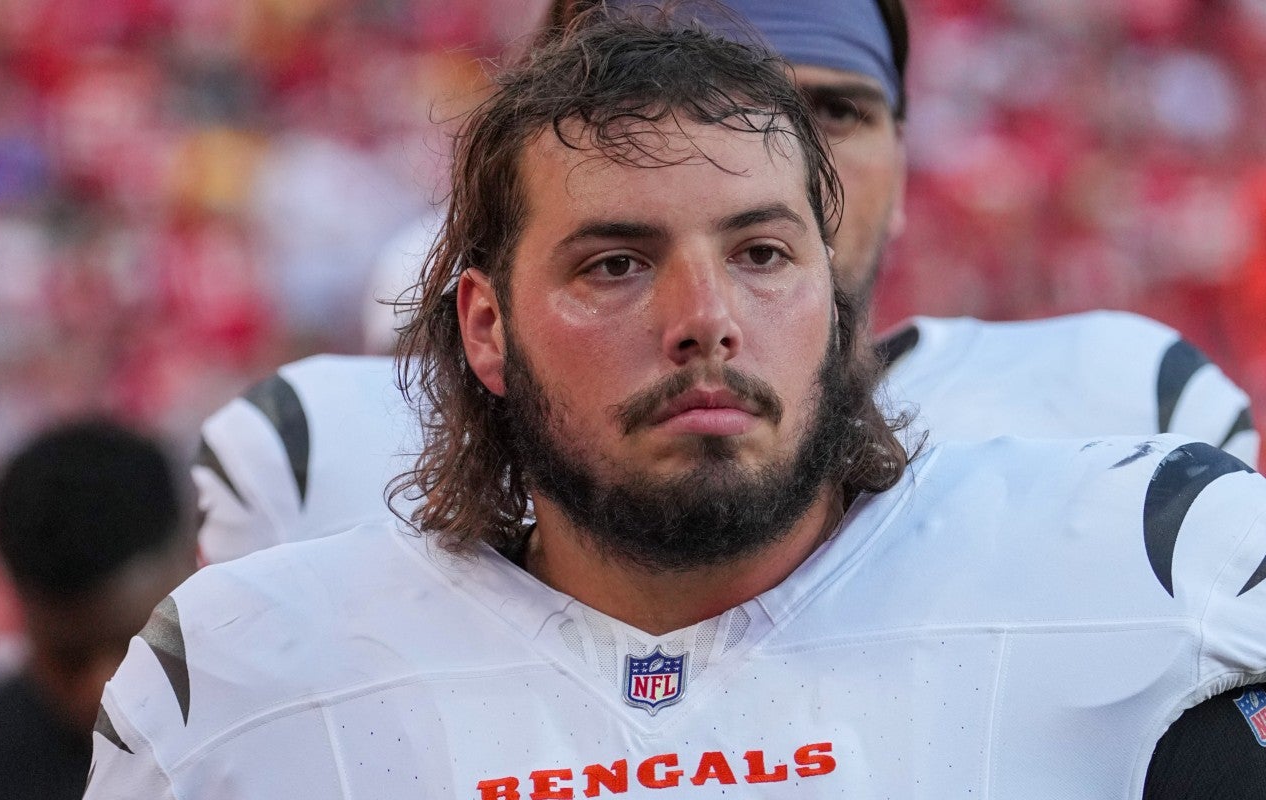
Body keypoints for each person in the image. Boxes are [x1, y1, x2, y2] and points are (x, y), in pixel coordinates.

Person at [87, 13, 1266, 797]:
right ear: (484, 327)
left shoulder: (1146, 559)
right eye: (615, 263)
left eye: (760, 253)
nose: (703, 315)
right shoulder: (248, 676)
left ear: (831, 286)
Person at [190, 0, 1257, 566]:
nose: (781, 166)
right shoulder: (325, 450)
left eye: (831, 114)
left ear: (904, 140)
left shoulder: (1121, 410)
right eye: (705, 119)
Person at [0, 419, 194, 800]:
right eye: (69, 660)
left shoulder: (289, 717)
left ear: (193, 563)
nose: (102, 689)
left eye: (136, 643)